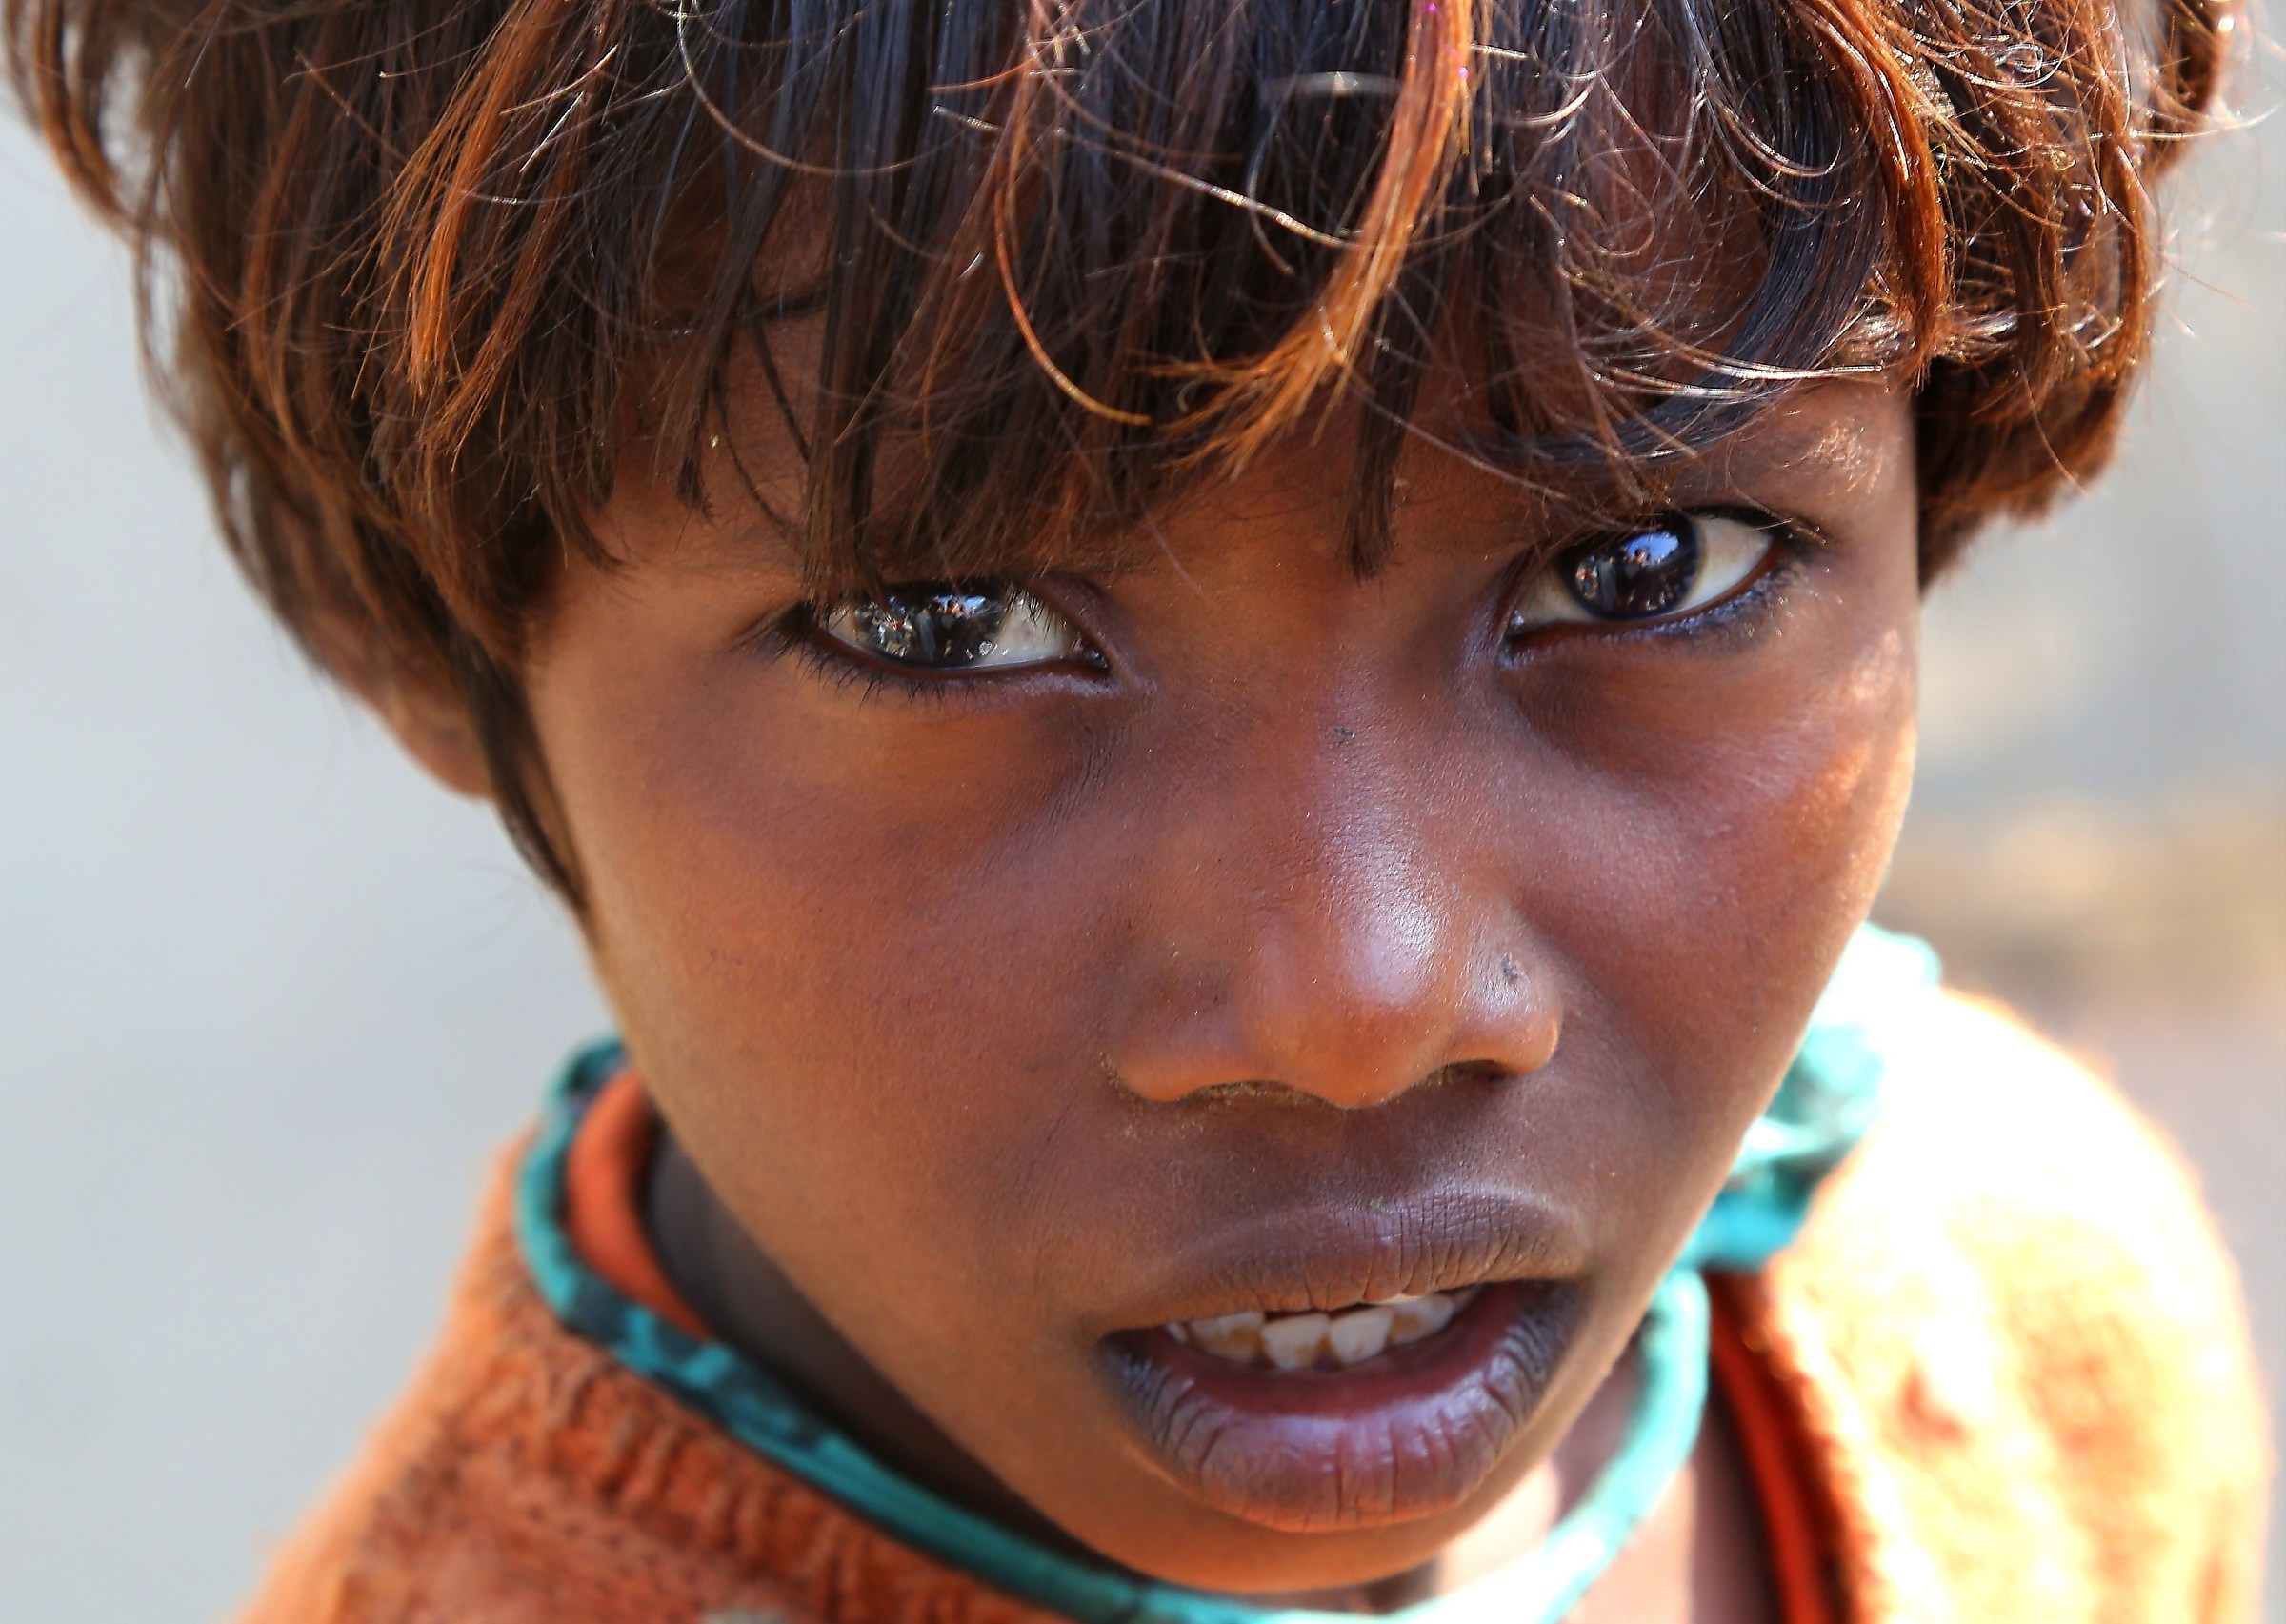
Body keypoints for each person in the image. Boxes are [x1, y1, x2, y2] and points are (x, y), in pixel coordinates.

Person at [5, 0, 2269, 1614]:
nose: (1355, 997)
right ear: (431, 622)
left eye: (1640, 570)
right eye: (942, 626)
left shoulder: (2026, 1304)